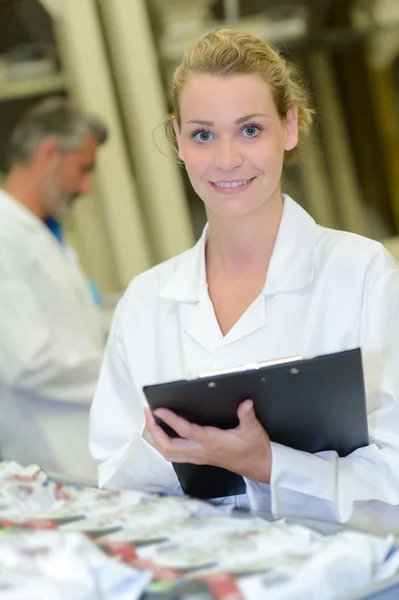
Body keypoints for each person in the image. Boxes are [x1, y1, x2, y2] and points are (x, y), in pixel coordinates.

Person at [90, 29, 399, 531]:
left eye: (251, 129)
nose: (227, 158)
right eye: (203, 134)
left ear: (290, 126)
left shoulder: (363, 276)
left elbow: (395, 482)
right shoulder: (146, 303)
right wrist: (160, 446)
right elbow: (115, 494)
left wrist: (268, 465)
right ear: (178, 139)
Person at [0, 97, 108, 480]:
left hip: (79, 451)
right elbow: (27, 362)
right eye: (82, 169)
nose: (86, 187)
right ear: (49, 152)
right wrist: (117, 374)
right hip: (49, 462)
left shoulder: (42, 233)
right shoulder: (4, 234)